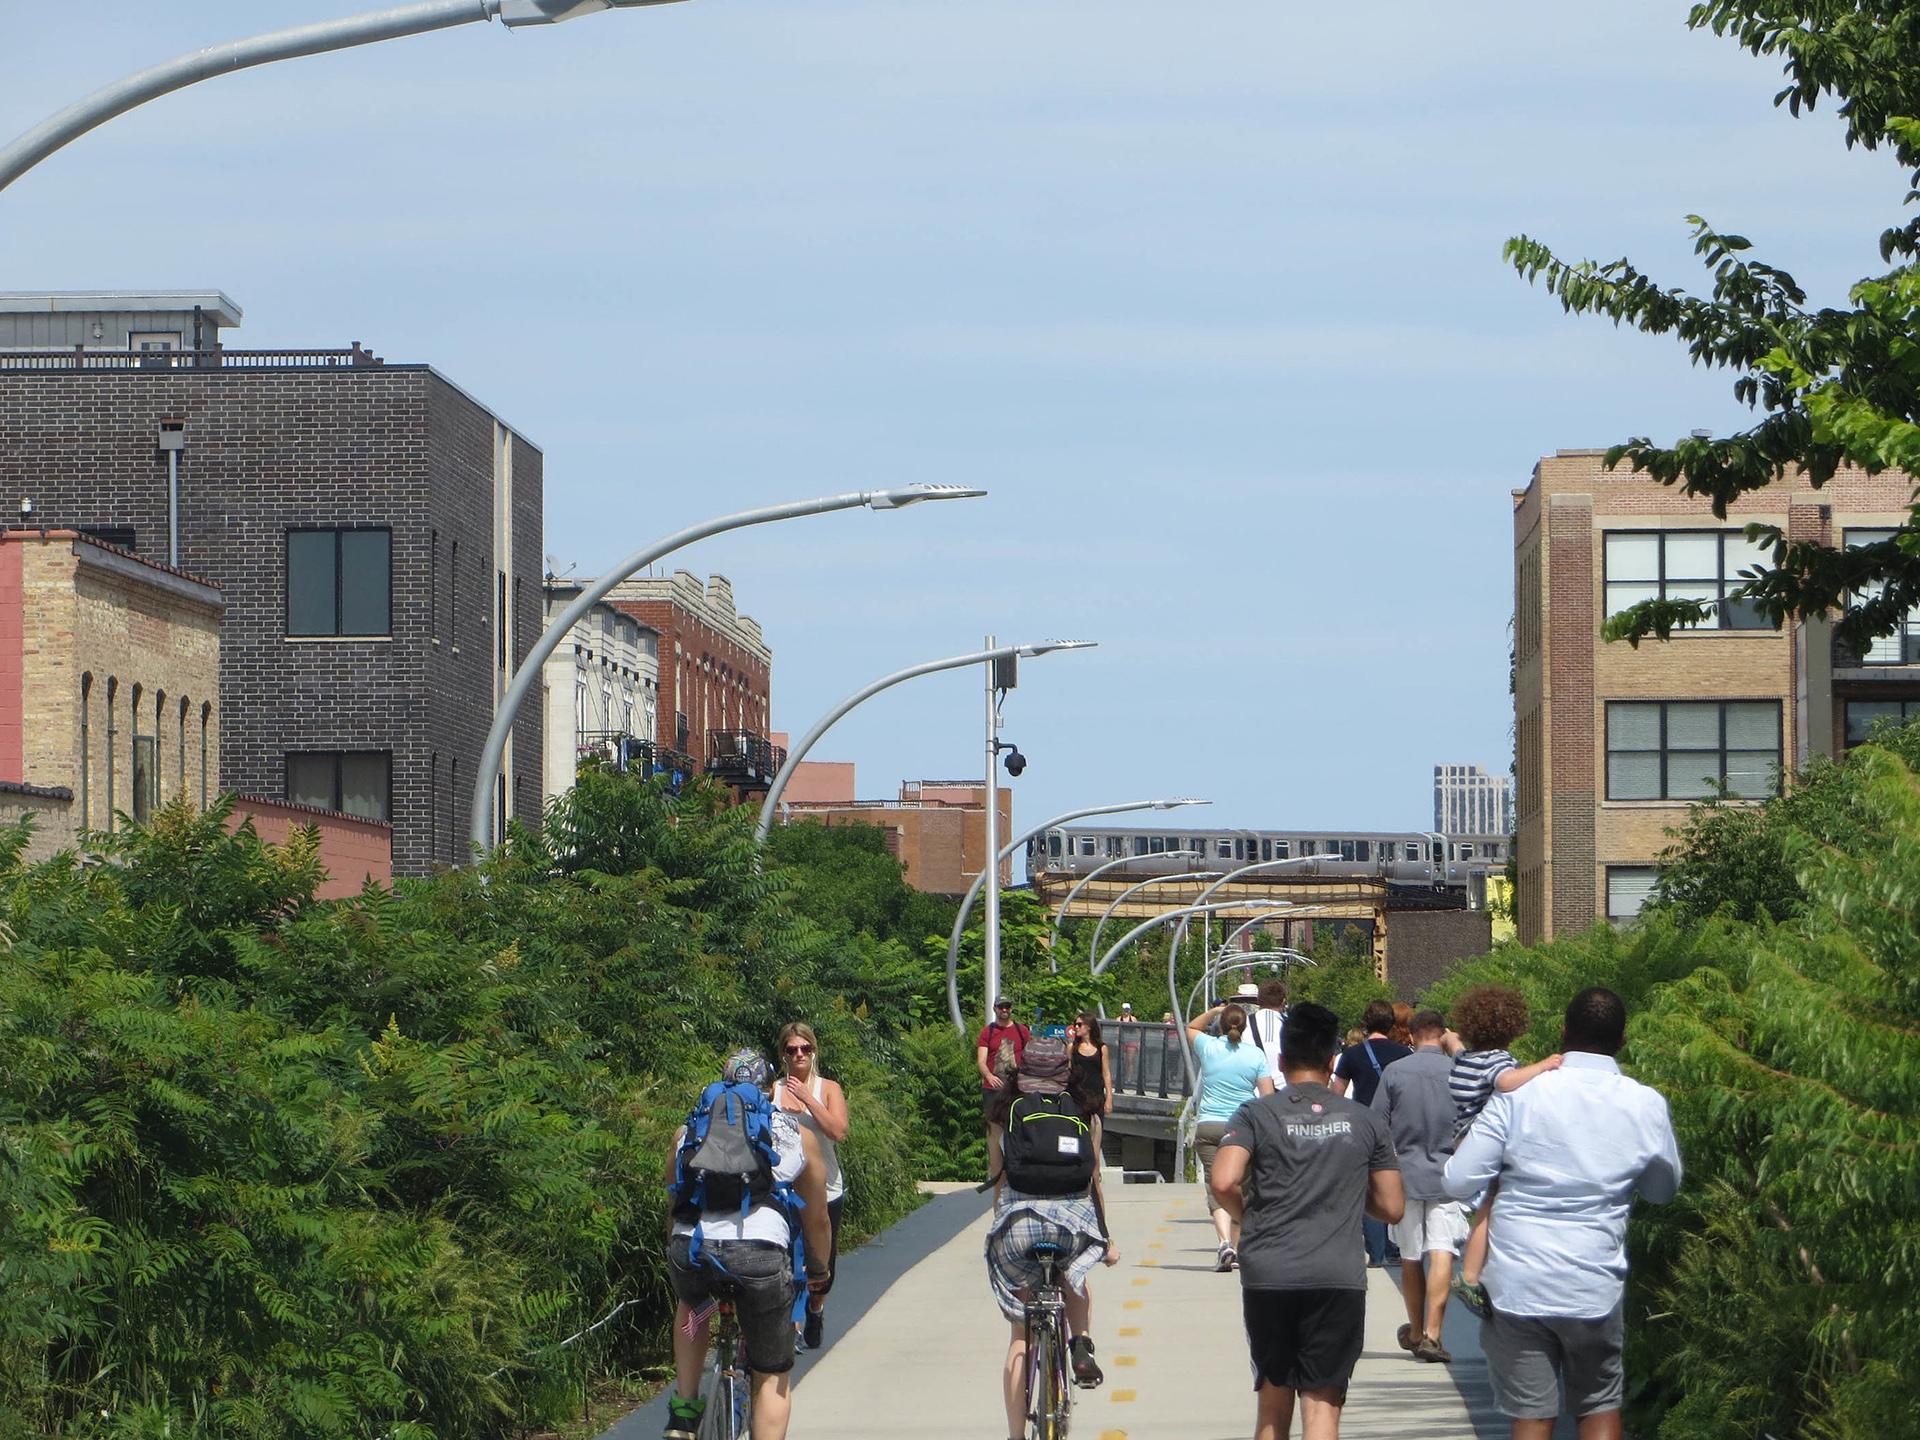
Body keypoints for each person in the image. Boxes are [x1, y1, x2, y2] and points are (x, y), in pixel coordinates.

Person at [1444, 987, 1681, 1440]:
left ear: (1563, 1032)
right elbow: (1662, 1190)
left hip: (1518, 1282)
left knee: (1532, 1416)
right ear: (1623, 1040)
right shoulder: (1645, 1103)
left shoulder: (1518, 1098)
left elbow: (1457, 1180)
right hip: (1594, 1282)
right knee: (1598, 1405)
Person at [1208, 1003, 1405, 1440]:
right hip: (1337, 1275)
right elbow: (1392, 1207)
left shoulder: (1254, 1115)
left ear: (1281, 1061)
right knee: (1322, 1412)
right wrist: (1350, 1197)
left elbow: (1223, 1180)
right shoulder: (1366, 1121)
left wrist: (1254, 1216)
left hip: (1270, 1273)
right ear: (1332, 1061)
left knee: (1273, 1407)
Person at [663, 1048, 832, 1440]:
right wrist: (820, 1270)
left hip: (693, 1250)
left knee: (694, 1306)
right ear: (768, 1090)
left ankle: (684, 1413)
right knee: (772, 1373)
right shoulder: (794, 1133)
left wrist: (679, 1255)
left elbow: (675, 1203)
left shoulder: (688, 1131)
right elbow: (817, 1218)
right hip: (759, 1258)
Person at [985, 1035, 1120, 1431]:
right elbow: (1092, 1179)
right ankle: (1080, 1343)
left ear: (1023, 1071)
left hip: (1019, 1223)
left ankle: (1014, 1434)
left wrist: (1002, 1225)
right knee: (1076, 1275)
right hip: (1071, 1224)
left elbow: (997, 1179)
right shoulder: (1084, 1111)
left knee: (1019, 1337)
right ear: (1066, 1072)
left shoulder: (1003, 1113)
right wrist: (1105, 1240)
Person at [1439, 986, 1561, 1317]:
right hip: (1482, 1136)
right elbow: (1507, 1082)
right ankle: (1471, 1274)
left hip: (1461, 1136)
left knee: (1488, 1205)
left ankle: (1476, 1269)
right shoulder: (1499, 1061)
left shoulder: (1465, 1058)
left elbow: (1454, 1045)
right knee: (1491, 1205)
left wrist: (1450, 1038)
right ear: (1512, 1026)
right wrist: (1542, 1066)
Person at [1370, 1008, 1470, 1364]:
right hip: (1449, 1174)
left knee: (1411, 1256)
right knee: (1443, 1251)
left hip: (1404, 1175)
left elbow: (1376, 1125)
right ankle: (1433, 1333)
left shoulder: (1395, 1072)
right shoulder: (1459, 1071)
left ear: (1410, 1036)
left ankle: (1414, 1331)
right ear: (1442, 1034)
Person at [773, 1021, 850, 1350]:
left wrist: (807, 1099)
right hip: (784, 1192)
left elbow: (838, 1131)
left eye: (805, 1048)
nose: (800, 1054)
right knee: (785, 1263)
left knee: (822, 1265)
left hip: (826, 1190)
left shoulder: (828, 1088)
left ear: (814, 1051)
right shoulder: (773, 1090)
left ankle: (816, 1310)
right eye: (792, 1049)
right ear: (783, 1054)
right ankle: (790, 1325)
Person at [1187, 1001, 1276, 1271]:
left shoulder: (1209, 1047)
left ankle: (1224, 1242)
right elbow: (1268, 1097)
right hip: (1241, 1129)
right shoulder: (1256, 1056)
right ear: (1245, 1027)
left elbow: (1190, 1026)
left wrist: (1215, 1011)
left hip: (1209, 1126)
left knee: (1217, 1188)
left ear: (1222, 1025)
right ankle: (1236, 1250)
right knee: (1240, 1189)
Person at [1331, 1000, 1413, 1268]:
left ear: (1365, 1023)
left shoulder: (1351, 1056)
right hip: (1398, 1128)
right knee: (1393, 1185)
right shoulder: (1405, 1054)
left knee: (1369, 1186)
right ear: (1391, 1024)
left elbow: (1337, 1094)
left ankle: (1376, 1253)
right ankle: (1395, 1248)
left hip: (1362, 1127)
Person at [977, 997, 1031, 1141]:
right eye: (1001, 1007)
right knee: (993, 1128)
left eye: (1007, 1006)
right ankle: (995, 1161)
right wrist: (989, 1076)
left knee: (1017, 1125)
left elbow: (1029, 1056)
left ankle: (1014, 1160)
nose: (1004, 1010)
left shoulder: (1022, 1031)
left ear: (1011, 1008)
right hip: (993, 1088)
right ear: (995, 1009)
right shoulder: (987, 1032)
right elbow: (981, 1061)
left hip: (1016, 1088)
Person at [1067, 1011, 1113, 1118]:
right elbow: (1067, 1070)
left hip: (1096, 1095)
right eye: (1075, 1025)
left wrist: (1109, 1098)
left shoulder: (1102, 1048)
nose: (1076, 1027)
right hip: (1077, 1095)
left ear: (1089, 1027)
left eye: (1079, 1025)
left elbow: (1106, 1073)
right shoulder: (1072, 1047)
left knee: (1097, 1127)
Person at [1247, 977, 1289, 1084]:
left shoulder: (1245, 1023)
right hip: (1285, 1093)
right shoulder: (1293, 1026)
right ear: (1283, 1001)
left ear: (1258, 1000)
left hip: (1254, 1092)